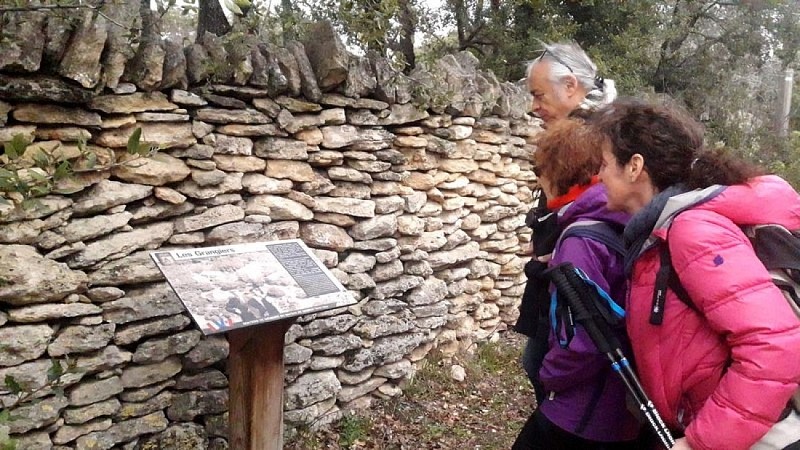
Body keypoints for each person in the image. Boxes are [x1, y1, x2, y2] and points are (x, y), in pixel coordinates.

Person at [593, 98, 800, 450]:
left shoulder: (691, 231)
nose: (598, 176)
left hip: (754, 439)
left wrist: (703, 442)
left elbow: (774, 345)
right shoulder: (653, 236)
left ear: (634, 167)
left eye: (605, 164)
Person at [512, 119, 639, 450]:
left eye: (540, 176)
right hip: (620, 406)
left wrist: (549, 376)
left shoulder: (579, 238)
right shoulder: (619, 217)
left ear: (558, 171)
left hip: (582, 412)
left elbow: (583, 340)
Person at [516, 40, 617, 401]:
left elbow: (609, 206)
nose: (535, 106)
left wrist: (562, 248)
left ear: (571, 86)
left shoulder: (600, 136)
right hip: (560, 277)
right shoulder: (585, 130)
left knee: (547, 367)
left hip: (574, 285)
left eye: (539, 95)